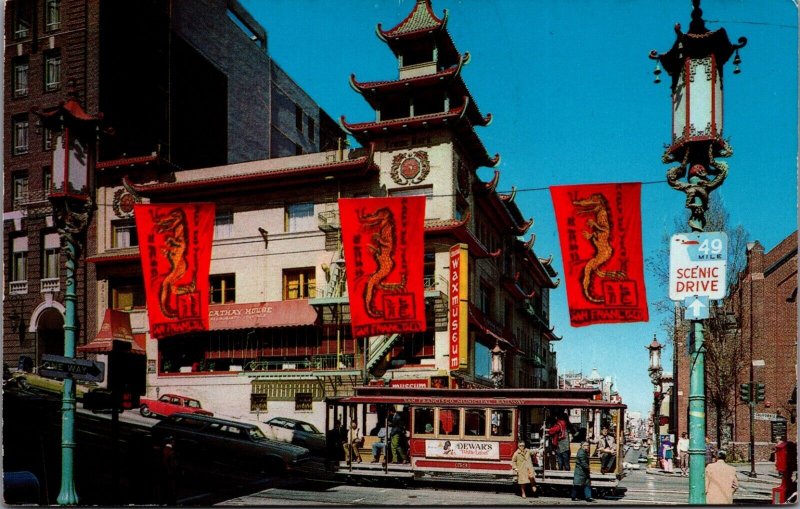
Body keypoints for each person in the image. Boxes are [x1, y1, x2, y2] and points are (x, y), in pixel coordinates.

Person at [161, 436, 179, 505]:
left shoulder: (165, 449)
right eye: (173, 441)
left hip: (168, 470)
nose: (174, 442)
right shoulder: (170, 450)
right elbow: (170, 461)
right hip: (170, 470)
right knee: (171, 485)